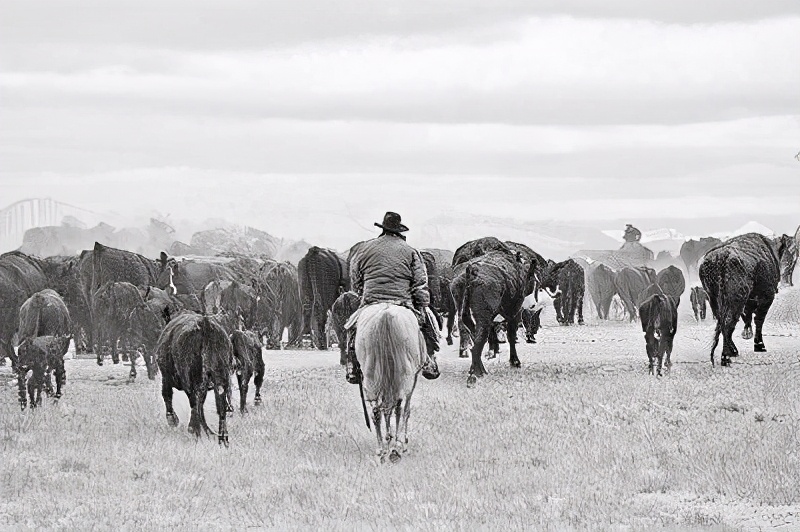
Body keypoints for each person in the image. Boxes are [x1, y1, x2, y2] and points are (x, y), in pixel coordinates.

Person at [345, 212, 440, 384]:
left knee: (352, 327)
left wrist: (362, 293)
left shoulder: (363, 249)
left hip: (371, 300)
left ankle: (352, 364)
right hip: (403, 302)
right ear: (399, 230)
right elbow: (420, 282)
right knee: (429, 325)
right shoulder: (411, 251)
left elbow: (355, 278)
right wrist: (422, 303)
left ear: (383, 228)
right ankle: (429, 359)